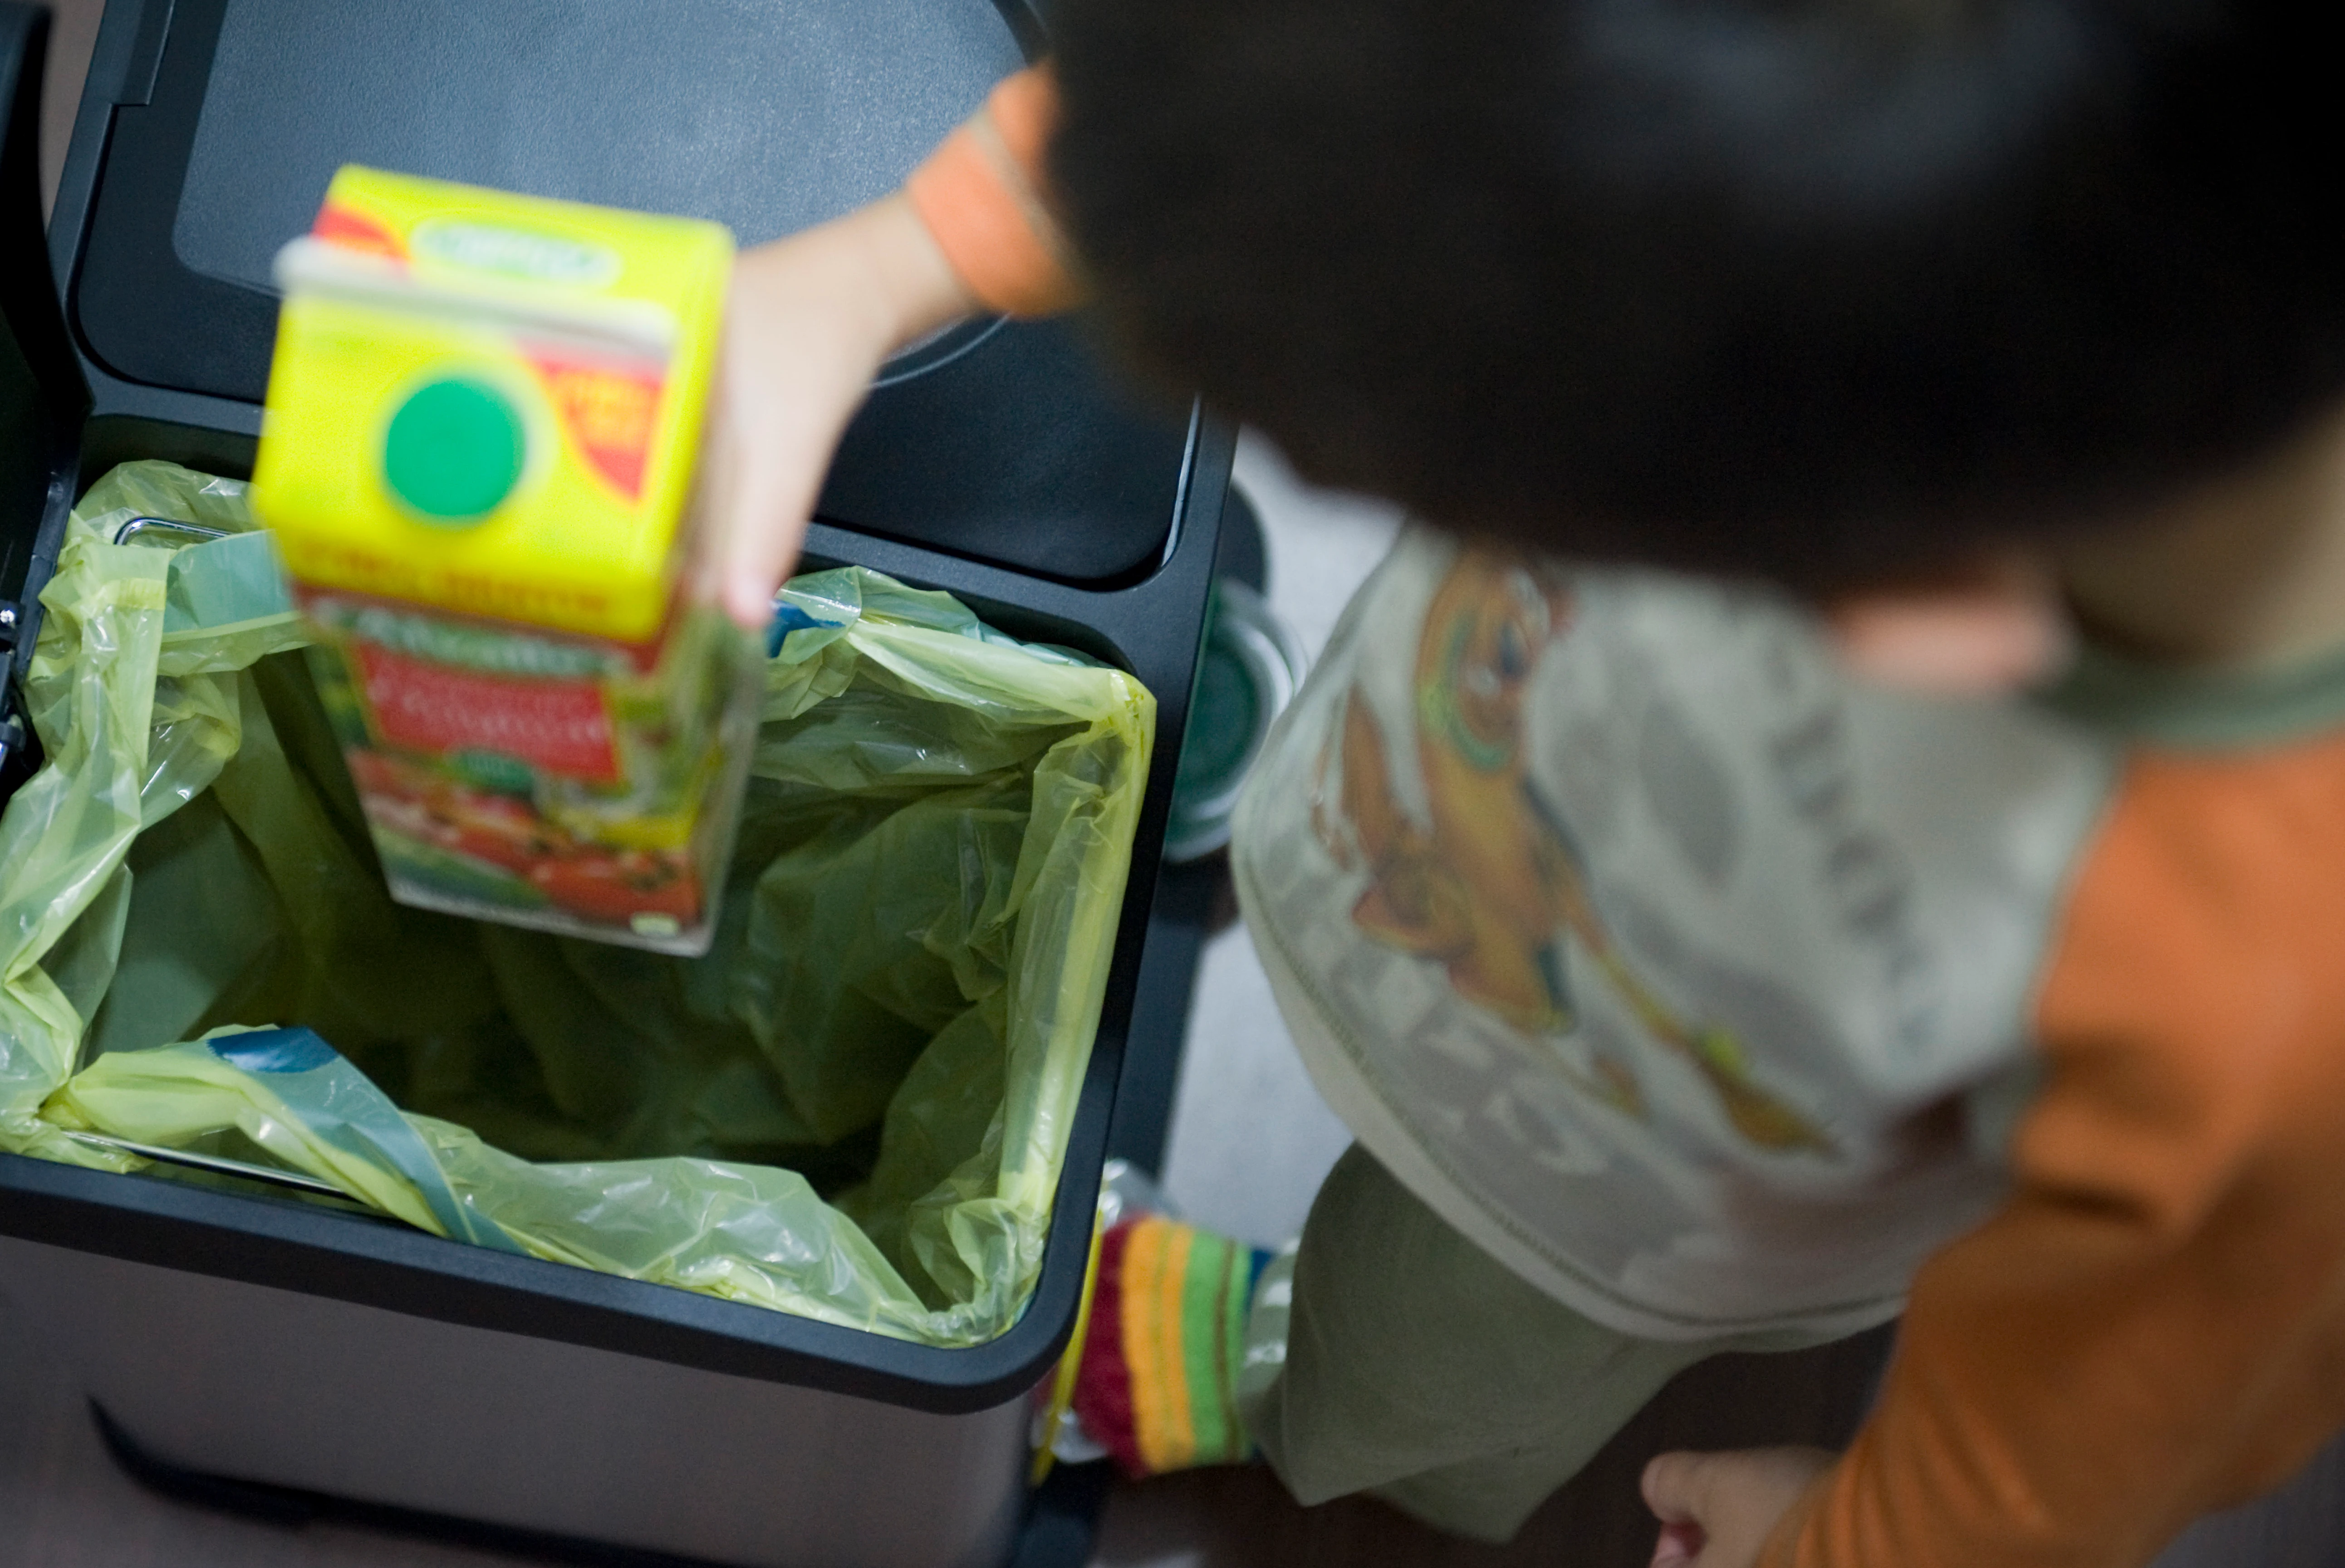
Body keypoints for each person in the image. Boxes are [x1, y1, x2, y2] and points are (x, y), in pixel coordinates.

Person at [696, 2, 2345, 1564]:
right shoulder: (1830, 187)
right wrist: (881, 272)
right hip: (1483, 877)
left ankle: (1279, 1374)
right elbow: (1388, 81)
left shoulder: (2260, 1038)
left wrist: (1846, 1539)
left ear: (1888, 620)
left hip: (1625, 1197)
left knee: (1424, 1371)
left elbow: (2074, 1446)